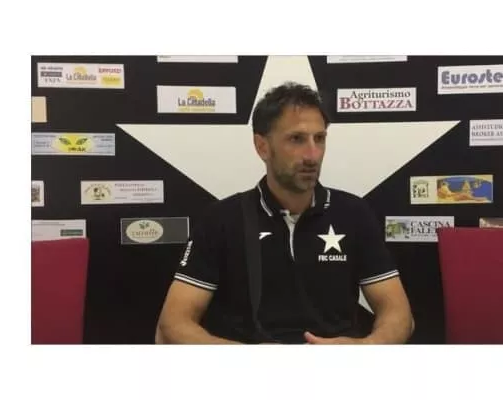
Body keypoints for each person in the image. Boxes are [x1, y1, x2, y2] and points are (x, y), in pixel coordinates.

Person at [155, 82, 414, 344]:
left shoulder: (354, 214)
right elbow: (174, 322)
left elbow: (399, 315)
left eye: (319, 138)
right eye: (296, 139)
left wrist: (364, 347)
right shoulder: (222, 219)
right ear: (262, 147)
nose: (312, 155)